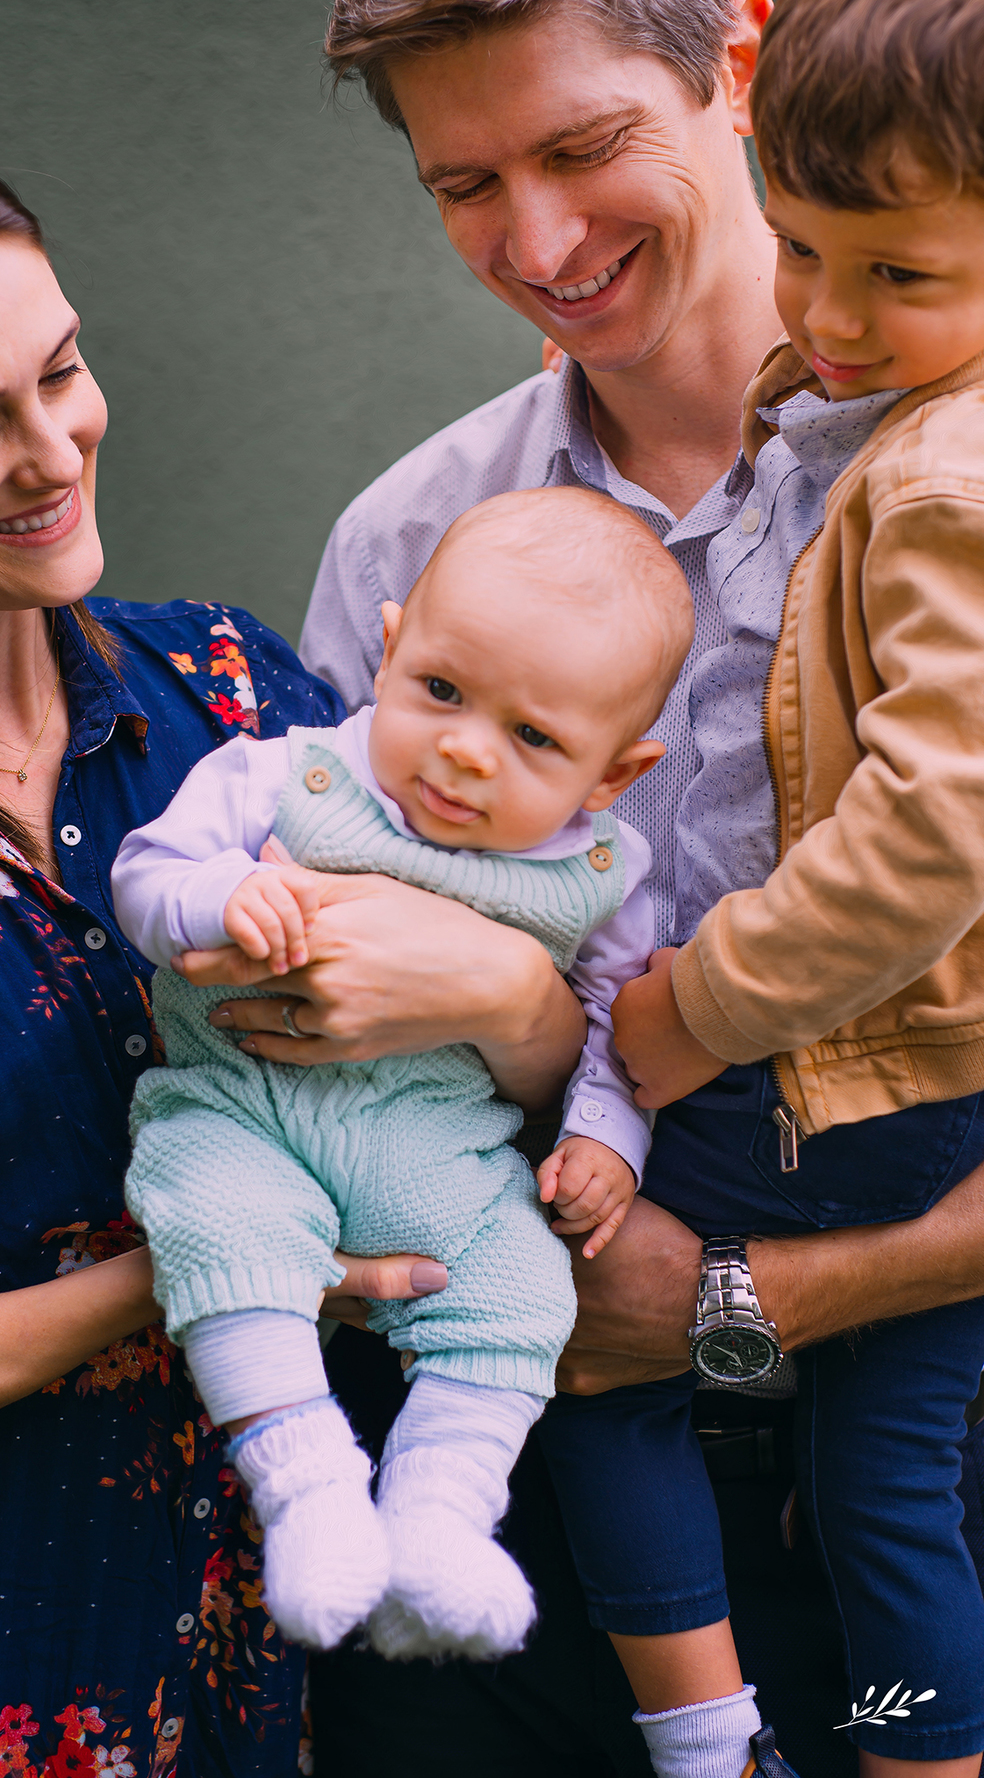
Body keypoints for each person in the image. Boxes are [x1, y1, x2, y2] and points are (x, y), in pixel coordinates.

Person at [241, 0, 984, 1771]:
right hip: (535, 1534)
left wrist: (752, 1300)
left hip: (938, 1478)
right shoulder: (413, 546)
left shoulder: (945, 484)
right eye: (466, 183)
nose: (542, 239)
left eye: (583, 149)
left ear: (737, 55)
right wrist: (510, 1019)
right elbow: (330, 1042)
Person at [0, 126, 582, 1773]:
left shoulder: (227, 690)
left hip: (242, 1650)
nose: (52, 447)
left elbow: (496, 1043)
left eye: (62, 370)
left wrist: (512, 996)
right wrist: (192, 1270)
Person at [591, 0, 984, 1773]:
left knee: (562, 1308)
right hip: (927, 1097)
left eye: (900, 276)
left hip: (826, 1083)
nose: (830, 314)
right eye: (803, 247)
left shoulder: (946, 479)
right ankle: (919, 1746)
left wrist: (690, 1012)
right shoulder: (851, 423)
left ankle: (703, 1734)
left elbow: (935, 826)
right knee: (891, 1483)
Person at [110, 487, 690, 1660]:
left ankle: (438, 1519)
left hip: (441, 1154)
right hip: (244, 1110)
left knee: (523, 1294)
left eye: (534, 739)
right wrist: (218, 896)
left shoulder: (606, 872)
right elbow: (144, 873)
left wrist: (604, 1145)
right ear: (390, 648)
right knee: (219, 1226)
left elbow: (622, 1033)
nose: (466, 750)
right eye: (439, 691)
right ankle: (308, 1485)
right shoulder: (283, 774)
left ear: (614, 773)